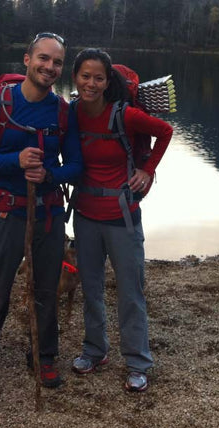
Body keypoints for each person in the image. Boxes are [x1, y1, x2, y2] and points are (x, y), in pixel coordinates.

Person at [0, 33, 83, 388]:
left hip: (48, 215)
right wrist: (16, 160)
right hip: (6, 213)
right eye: (43, 58)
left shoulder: (63, 112)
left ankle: (43, 357)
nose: (50, 67)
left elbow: (76, 167)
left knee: (46, 289)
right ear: (27, 59)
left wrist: (49, 175)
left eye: (57, 62)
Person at [70, 48, 173, 391]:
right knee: (91, 288)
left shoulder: (125, 115)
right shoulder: (71, 113)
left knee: (130, 292)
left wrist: (148, 169)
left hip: (122, 217)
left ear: (107, 81)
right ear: (75, 77)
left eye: (98, 78)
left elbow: (165, 131)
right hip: (84, 215)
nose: (91, 83)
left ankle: (138, 363)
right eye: (85, 76)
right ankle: (94, 350)